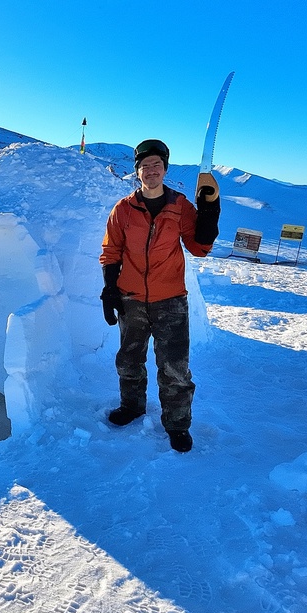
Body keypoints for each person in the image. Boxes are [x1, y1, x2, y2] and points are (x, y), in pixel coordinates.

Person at [99, 139, 220, 452]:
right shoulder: (123, 210)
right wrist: (110, 289)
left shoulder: (179, 206)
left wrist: (209, 213)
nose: (150, 170)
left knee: (175, 368)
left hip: (170, 301)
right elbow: (111, 251)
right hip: (131, 299)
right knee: (129, 360)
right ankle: (132, 406)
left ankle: (177, 424)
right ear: (137, 171)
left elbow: (199, 247)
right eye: (144, 166)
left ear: (165, 169)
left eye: (156, 165)